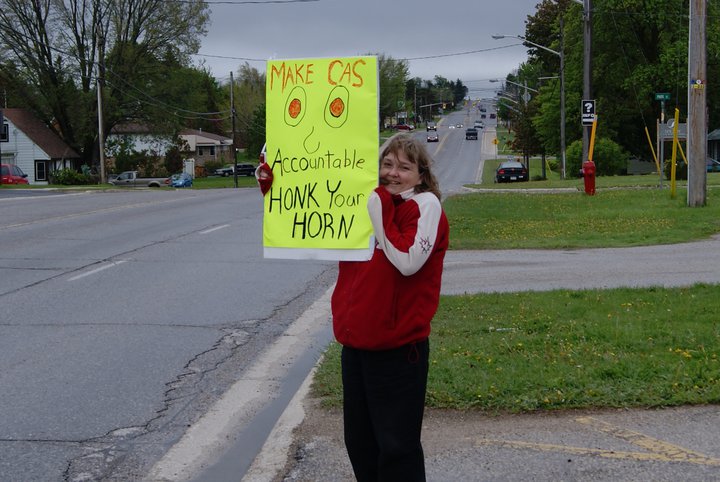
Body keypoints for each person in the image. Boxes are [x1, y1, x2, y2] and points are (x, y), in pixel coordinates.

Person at [257, 133, 449, 481]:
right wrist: (275, 185)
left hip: (398, 350)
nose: (392, 173)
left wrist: (378, 204)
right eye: (386, 164)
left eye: (404, 167)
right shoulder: (363, 202)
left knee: (396, 448)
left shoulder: (424, 206)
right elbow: (305, 213)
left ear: (421, 175)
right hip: (356, 347)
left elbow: (407, 261)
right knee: (360, 444)